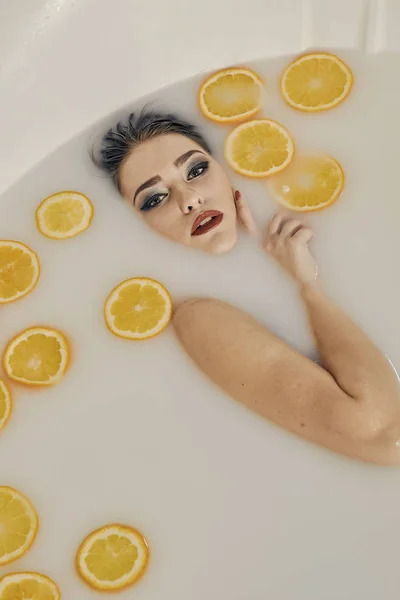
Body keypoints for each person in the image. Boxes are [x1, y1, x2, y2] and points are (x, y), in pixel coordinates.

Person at [97, 110, 400, 465]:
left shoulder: (320, 213)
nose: (190, 199)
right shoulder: (196, 318)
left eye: (196, 170)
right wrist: (307, 286)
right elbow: (382, 433)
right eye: (154, 199)